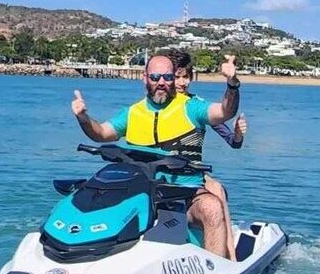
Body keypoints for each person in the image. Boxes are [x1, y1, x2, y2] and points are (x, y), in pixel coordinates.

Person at [70, 50, 241, 260]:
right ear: (145, 78)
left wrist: (232, 84)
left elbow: (225, 111)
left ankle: (217, 270)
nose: (161, 82)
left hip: (184, 195)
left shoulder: (191, 107)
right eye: (155, 77)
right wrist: (84, 118)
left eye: (167, 77)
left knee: (212, 206)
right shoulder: (132, 113)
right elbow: (102, 133)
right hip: (139, 193)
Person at [173, 54, 248, 260]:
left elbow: (233, 142)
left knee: (217, 190)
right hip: (162, 174)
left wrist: (238, 134)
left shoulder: (197, 106)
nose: (182, 83)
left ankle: (230, 258)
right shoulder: (154, 107)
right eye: (177, 77)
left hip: (191, 175)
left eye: (186, 77)